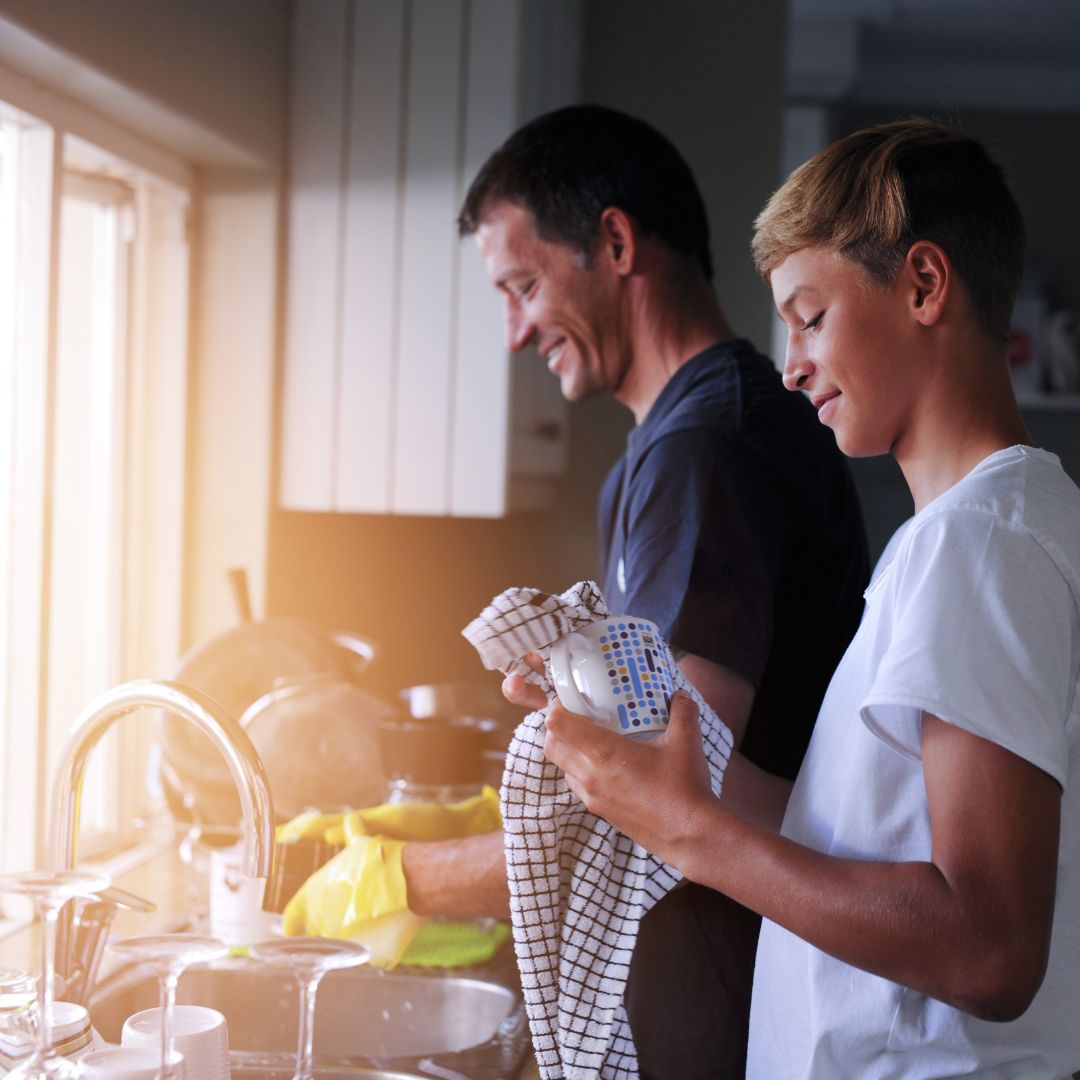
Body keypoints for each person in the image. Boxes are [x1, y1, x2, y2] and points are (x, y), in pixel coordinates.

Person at [543, 117, 1080, 1078]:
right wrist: (663, 763)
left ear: (924, 285)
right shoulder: (974, 533)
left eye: (811, 316)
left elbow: (989, 948)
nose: (789, 364)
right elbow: (852, 839)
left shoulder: (979, 544)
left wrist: (690, 834)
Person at [401, 104, 868, 1078]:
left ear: (614, 242)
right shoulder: (675, 445)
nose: (515, 330)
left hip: (714, 1011)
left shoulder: (705, 451)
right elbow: (648, 732)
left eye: (523, 286)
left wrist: (409, 876)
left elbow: (663, 790)